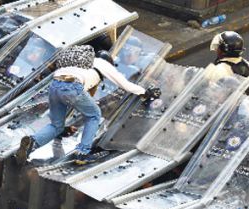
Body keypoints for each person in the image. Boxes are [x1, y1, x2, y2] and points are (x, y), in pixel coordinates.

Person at [16, 45, 160, 165]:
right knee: (94, 115)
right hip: (72, 85)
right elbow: (124, 84)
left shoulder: (80, 63)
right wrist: (145, 92)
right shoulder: (102, 63)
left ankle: (32, 144)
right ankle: (83, 153)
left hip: (55, 85)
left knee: (56, 125)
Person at [211, 31, 249, 95]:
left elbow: (211, 91)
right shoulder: (248, 65)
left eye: (218, 46)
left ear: (223, 49)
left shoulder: (220, 69)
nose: (216, 48)